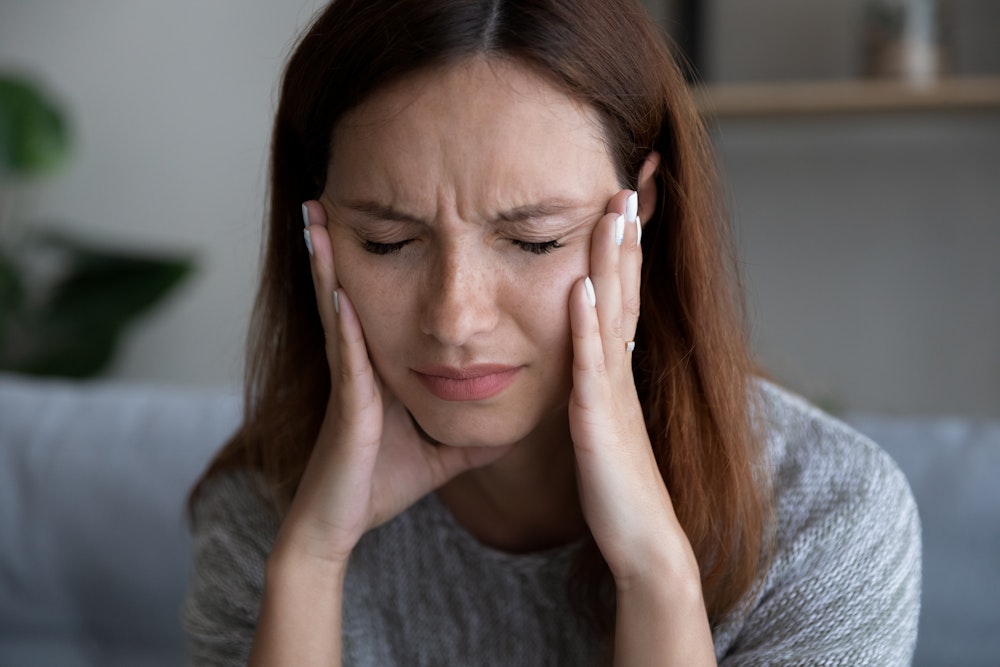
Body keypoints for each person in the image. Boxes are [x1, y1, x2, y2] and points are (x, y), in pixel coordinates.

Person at [182, 0, 921, 664]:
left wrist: (656, 572)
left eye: (535, 240)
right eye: (386, 241)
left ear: (642, 211)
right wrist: (310, 561)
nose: (455, 319)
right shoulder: (269, 516)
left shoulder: (829, 526)